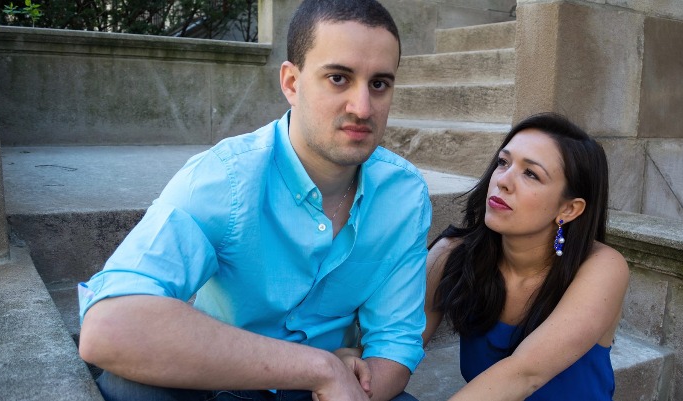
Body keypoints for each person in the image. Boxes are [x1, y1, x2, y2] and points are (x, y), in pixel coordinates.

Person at [77, 1, 429, 400]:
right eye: (338, 78)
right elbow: (109, 326)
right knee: (131, 388)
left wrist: (346, 386)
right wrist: (321, 368)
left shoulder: (403, 194)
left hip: (329, 392)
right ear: (291, 83)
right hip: (227, 379)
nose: (362, 108)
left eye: (379, 84)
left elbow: (395, 345)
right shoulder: (225, 178)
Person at [422, 113, 630, 400]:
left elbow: (525, 373)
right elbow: (399, 343)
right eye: (503, 162)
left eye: (531, 173)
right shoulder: (452, 254)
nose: (503, 181)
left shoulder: (603, 268)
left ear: (569, 209)